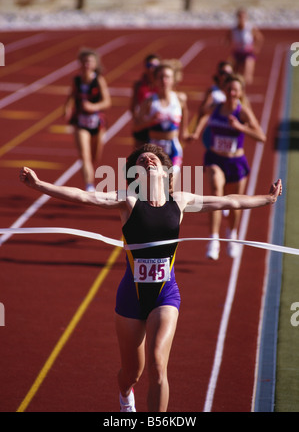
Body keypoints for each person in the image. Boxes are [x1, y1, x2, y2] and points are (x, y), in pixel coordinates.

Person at [19, 143, 282, 412]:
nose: (148, 160)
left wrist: (267, 199)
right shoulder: (128, 201)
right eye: (142, 160)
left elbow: (229, 201)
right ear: (135, 174)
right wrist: (40, 185)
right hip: (131, 297)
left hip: (165, 295)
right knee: (132, 373)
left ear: (166, 171)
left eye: (153, 158)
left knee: (158, 365)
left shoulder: (180, 200)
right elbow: (85, 197)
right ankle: (124, 394)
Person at [192, 74, 266, 260]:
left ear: (240, 92)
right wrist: (195, 132)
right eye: (229, 89)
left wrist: (241, 128)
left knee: (234, 204)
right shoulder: (216, 108)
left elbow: (261, 137)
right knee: (216, 193)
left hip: (236, 163)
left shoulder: (243, 112)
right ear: (223, 91)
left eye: (235, 90)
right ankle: (214, 239)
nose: (232, 93)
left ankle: (232, 235)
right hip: (215, 158)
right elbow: (202, 115)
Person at [64, 48, 111, 191]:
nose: (86, 65)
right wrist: (66, 108)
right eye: (84, 62)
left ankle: (89, 174)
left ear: (95, 64)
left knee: (94, 157)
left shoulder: (99, 80)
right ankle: (89, 185)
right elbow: (71, 96)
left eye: (89, 62)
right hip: (80, 122)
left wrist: (92, 106)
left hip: (96, 122)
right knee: (84, 156)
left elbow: (107, 102)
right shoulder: (76, 80)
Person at [134, 63, 189, 184]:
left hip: (173, 148)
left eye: (167, 77)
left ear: (173, 80)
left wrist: (184, 132)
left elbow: (185, 114)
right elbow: (136, 127)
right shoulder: (149, 101)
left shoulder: (179, 98)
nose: (164, 81)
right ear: (155, 80)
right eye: (161, 77)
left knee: (170, 186)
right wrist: (150, 121)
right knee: (153, 188)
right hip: (153, 149)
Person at [130, 54, 161, 148]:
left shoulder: (162, 85)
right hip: (143, 126)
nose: (151, 69)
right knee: (139, 156)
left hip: (157, 126)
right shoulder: (139, 85)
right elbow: (133, 106)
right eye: (149, 66)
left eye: (155, 66)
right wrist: (138, 119)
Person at [226, 8, 264, 85]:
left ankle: (242, 92)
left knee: (247, 76)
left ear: (246, 18)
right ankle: (237, 89)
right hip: (237, 52)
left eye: (243, 17)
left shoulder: (250, 28)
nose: (241, 19)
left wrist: (255, 47)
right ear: (237, 18)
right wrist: (228, 43)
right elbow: (227, 38)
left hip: (248, 53)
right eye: (240, 17)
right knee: (234, 74)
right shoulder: (233, 29)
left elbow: (260, 37)